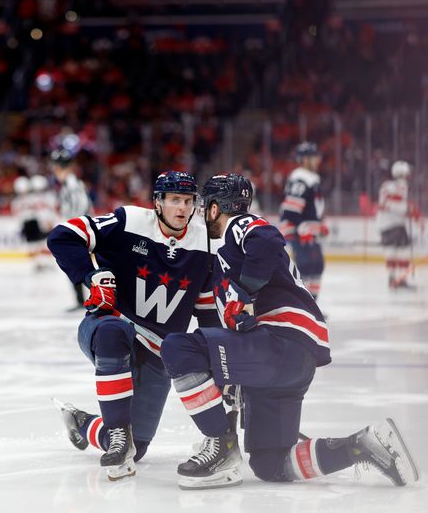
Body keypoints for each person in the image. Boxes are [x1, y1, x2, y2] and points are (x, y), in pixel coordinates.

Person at [160, 173, 419, 490]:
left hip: (280, 342)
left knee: (178, 348)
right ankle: (361, 445)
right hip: (290, 360)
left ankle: (221, 447)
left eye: (204, 206)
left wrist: (245, 293)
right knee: (271, 464)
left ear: (214, 208)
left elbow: (267, 241)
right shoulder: (226, 256)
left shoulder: (237, 226)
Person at [47, 171, 219, 481]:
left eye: (188, 201)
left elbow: (207, 314)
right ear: (158, 202)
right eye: (175, 200)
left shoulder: (205, 245)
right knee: (115, 333)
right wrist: (91, 276)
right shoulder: (129, 222)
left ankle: (84, 424)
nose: (182, 208)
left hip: (158, 353)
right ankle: (118, 436)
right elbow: (62, 235)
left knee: (137, 449)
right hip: (109, 327)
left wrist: (221, 360)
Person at [279, 141, 329, 299]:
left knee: (316, 266)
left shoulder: (311, 178)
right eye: (314, 157)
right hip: (300, 232)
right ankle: (304, 306)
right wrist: (301, 228)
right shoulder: (301, 178)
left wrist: (319, 224)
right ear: (304, 159)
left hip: (307, 230)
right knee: (306, 267)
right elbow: (290, 210)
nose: (318, 160)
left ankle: (312, 305)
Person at [50, 147, 93, 308]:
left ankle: (90, 299)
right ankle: (82, 299)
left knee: (78, 265)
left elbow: (80, 207)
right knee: (75, 265)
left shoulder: (72, 184)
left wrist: (74, 228)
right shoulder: (70, 184)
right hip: (79, 230)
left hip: (78, 231)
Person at [377, 160, 419, 291]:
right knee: (399, 252)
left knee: (394, 252)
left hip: (388, 223)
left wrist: (407, 208)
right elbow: (389, 204)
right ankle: (398, 279)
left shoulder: (387, 185)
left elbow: (386, 203)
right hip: (393, 224)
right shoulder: (400, 186)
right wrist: (407, 208)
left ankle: (394, 278)